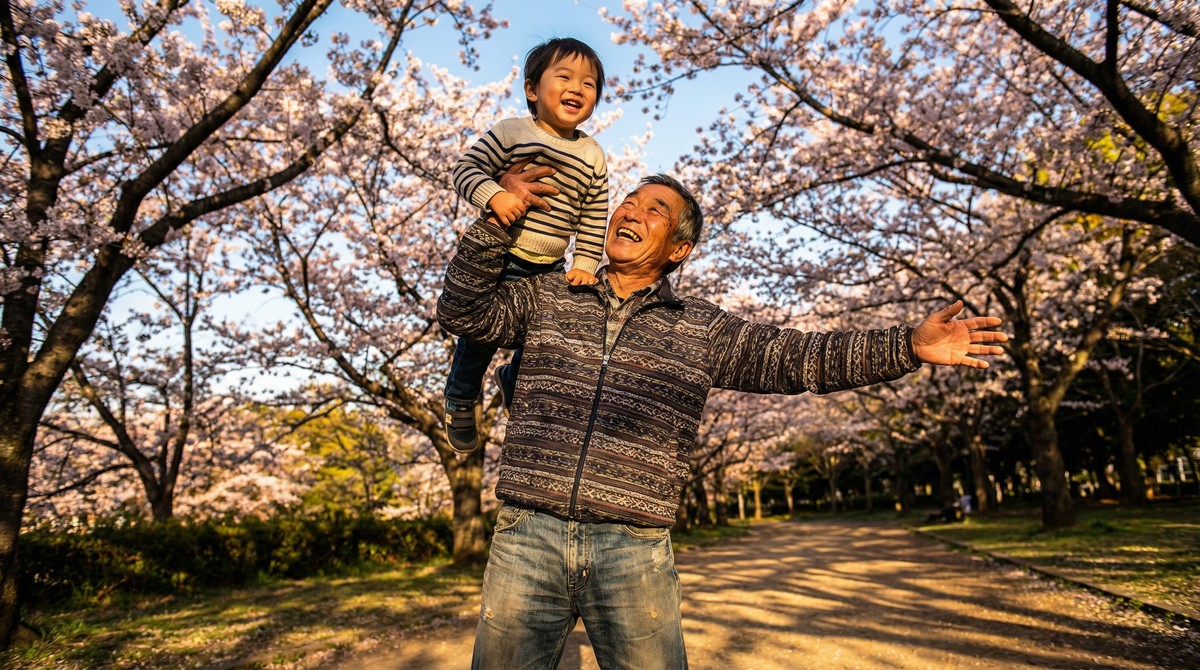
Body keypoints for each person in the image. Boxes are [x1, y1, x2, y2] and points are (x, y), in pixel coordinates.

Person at [437, 167, 1009, 669]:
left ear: (679, 250)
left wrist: (907, 345)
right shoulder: (548, 295)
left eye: (654, 210)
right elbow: (462, 311)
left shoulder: (701, 328)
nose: (631, 213)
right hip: (527, 534)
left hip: (633, 544)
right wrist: (496, 216)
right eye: (629, 202)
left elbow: (801, 360)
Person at [443, 37, 610, 454]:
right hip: (502, 258)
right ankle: (461, 398)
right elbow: (465, 169)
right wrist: (493, 195)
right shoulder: (513, 132)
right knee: (480, 336)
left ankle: (514, 378)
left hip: (551, 264)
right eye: (564, 77)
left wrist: (587, 261)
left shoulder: (592, 154)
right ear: (532, 89)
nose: (577, 88)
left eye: (589, 84)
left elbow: (593, 214)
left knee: (553, 333)